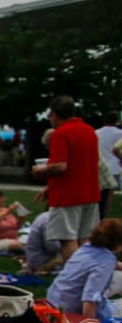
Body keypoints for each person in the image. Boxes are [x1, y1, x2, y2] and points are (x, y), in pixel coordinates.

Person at [32, 96, 102, 263]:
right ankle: (87, 274)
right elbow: (85, 163)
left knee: (67, 239)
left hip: (67, 196)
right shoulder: (89, 130)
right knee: (85, 238)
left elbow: (60, 166)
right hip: (91, 193)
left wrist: (39, 172)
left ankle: (74, 278)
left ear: (55, 114)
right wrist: (49, 188)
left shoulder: (60, 134)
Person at [47, 218, 122, 320]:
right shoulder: (106, 262)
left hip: (52, 305)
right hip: (72, 315)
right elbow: (90, 299)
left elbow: (102, 263)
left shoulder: (86, 248)